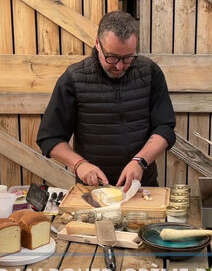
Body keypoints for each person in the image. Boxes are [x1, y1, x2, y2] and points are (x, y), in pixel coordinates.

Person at [37, 11, 176, 191]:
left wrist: (140, 161)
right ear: (97, 44)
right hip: (93, 191)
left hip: (142, 187)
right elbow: (50, 137)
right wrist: (79, 164)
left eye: (127, 58)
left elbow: (164, 127)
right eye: (112, 57)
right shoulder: (73, 78)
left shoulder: (150, 72)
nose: (119, 66)